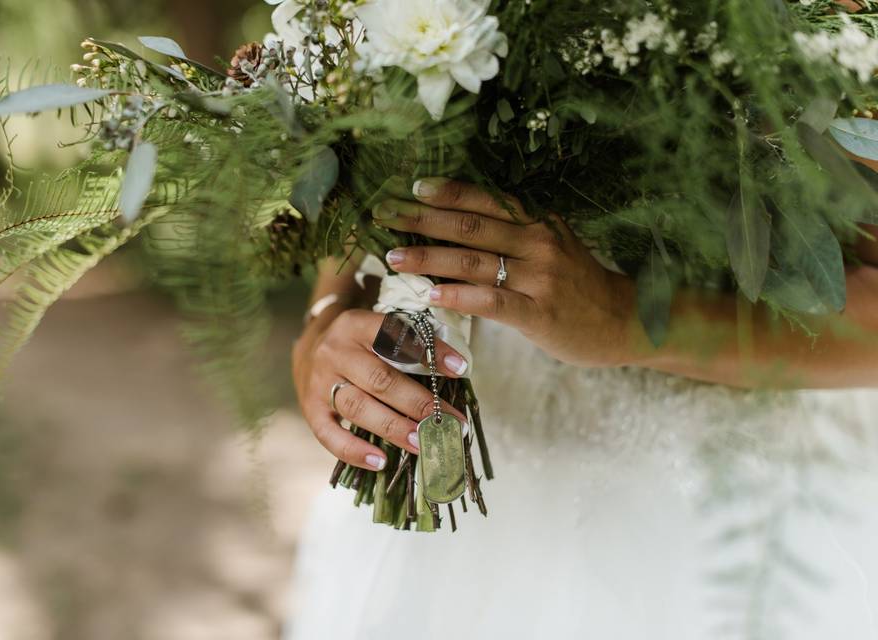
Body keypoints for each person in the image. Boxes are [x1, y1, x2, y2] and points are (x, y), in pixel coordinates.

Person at [283, 170, 878, 639]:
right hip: (490, 441)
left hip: (717, 477)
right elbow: (379, 160)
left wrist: (630, 318)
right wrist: (323, 321)